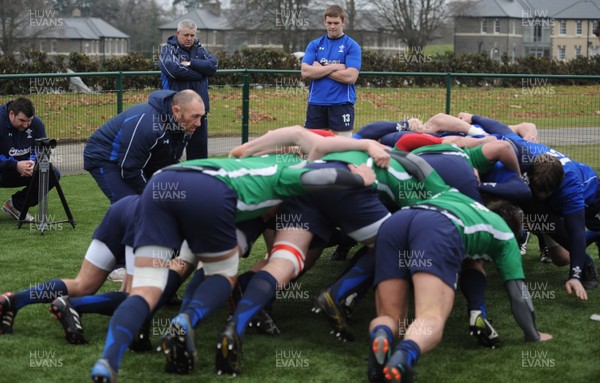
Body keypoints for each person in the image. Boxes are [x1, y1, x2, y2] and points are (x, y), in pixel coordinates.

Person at [90, 149, 378, 382]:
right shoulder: (284, 171)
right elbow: (322, 176)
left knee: (146, 289)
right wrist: (359, 178)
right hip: (209, 193)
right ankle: (184, 321)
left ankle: (107, 360)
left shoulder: (246, 165)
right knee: (223, 276)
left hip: (161, 184)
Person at [368, 190, 552, 383]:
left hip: (397, 221)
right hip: (437, 228)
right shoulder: (506, 236)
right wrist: (533, 334)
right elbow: (518, 292)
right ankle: (403, 358)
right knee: (431, 316)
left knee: (390, 316)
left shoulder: (459, 198)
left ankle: (382, 335)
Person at [83, 89, 204, 203]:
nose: (199, 123)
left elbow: (169, 160)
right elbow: (129, 169)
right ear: (176, 111)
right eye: (194, 116)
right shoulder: (149, 126)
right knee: (131, 205)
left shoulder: (184, 124)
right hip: (105, 156)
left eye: (201, 116)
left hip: (134, 160)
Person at [159, 19, 218, 160]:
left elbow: (213, 66)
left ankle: (197, 180)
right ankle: (168, 178)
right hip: (176, 111)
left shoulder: (200, 50)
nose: (189, 38)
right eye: (186, 35)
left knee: (199, 155)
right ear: (177, 33)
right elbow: (175, 71)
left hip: (198, 112)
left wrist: (191, 63)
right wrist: (201, 73)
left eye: (192, 35)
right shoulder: (167, 51)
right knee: (170, 153)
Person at [301, 5, 361, 136]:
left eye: (336, 23)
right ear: (324, 22)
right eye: (329, 23)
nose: (332, 26)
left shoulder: (352, 45)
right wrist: (335, 67)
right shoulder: (315, 45)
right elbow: (305, 72)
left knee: (342, 149)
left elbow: (350, 77)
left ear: (343, 22)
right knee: (311, 147)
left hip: (341, 103)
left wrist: (320, 69)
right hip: (316, 103)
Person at [0, 97, 60, 222]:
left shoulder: (36, 124)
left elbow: (43, 149)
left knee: (52, 173)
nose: (26, 125)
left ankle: (16, 205)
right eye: (22, 120)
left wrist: (34, 162)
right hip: (3, 170)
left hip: (25, 171)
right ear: (11, 114)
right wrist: (15, 164)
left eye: (29, 121)